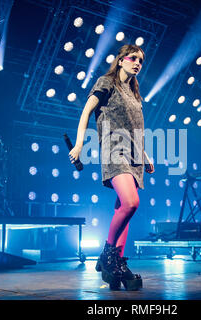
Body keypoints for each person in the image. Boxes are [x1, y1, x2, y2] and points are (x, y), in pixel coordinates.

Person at [68, 44, 154, 291]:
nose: (138, 62)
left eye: (141, 60)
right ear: (121, 60)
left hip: (135, 156)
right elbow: (86, 111)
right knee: (130, 203)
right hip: (114, 150)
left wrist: (146, 155)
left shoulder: (134, 93)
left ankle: (115, 264)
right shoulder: (107, 82)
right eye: (134, 58)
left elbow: (135, 129)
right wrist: (79, 145)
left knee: (124, 211)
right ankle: (107, 255)